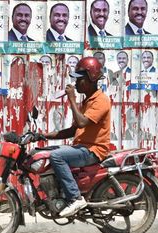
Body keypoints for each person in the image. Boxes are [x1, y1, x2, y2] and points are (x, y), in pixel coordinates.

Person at [42, 57, 111, 217]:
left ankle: (75, 198)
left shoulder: (100, 100)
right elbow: (73, 130)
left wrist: (71, 99)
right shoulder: (87, 101)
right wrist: (42, 136)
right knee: (48, 152)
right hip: (81, 148)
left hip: (93, 150)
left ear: (91, 79)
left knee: (57, 156)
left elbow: (81, 122)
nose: (77, 83)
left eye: (80, 79)